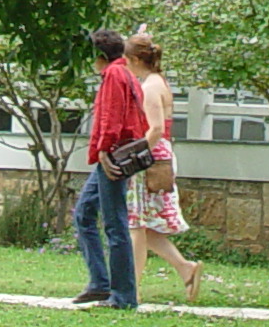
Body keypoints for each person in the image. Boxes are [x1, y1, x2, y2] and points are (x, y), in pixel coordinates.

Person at [71, 27, 146, 310]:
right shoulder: (124, 72)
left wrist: (104, 150)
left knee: (115, 224)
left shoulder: (115, 74)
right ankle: (100, 283)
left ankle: (124, 297)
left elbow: (111, 116)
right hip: (114, 153)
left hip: (113, 155)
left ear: (100, 55)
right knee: (84, 213)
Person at [123, 32, 201, 302]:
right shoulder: (159, 82)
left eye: (126, 59)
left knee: (135, 224)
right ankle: (185, 268)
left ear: (135, 59)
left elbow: (155, 129)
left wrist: (133, 154)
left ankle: (131, 287)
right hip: (158, 156)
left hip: (150, 160)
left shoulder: (150, 88)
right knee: (146, 226)